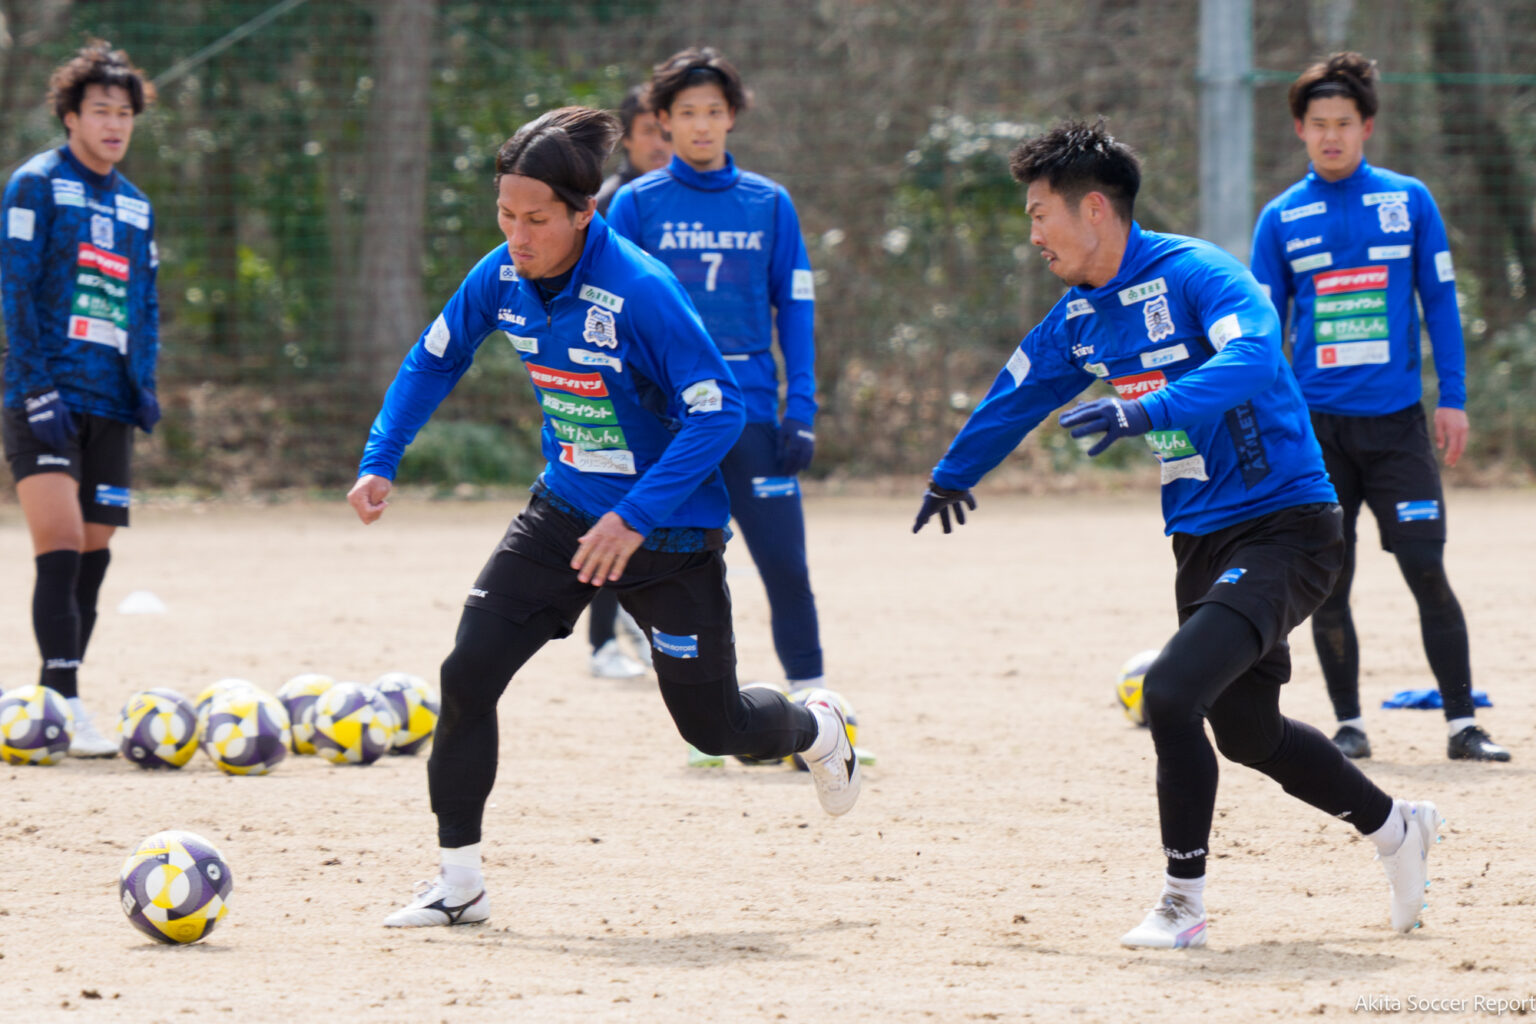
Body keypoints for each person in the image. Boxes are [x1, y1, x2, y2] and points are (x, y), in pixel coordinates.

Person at [913, 119, 1439, 948]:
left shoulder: (1198, 275)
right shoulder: (1079, 316)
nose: (1033, 232)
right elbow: (1017, 392)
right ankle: (1397, 828)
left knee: (1169, 692)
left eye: (1040, 213)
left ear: (1094, 210)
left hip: (1287, 526)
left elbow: (1257, 358)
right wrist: (954, 470)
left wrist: (1144, 407)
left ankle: (1181, 904)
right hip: (1199, 539)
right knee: (1249, 734)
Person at [347, 107, 860, 928]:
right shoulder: (501, 277)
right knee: (467, 672)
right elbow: (433, 358)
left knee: (715, 725)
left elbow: (717, 413)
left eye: (538, 220)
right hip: (563, 515)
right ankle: (459, 885)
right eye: (506, 216)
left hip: (671, 538)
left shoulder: (641, 292)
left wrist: (635, 515)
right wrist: (381, 457)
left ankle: (816, 726)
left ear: (585, 213)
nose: (518, 235)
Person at [1250, 54, 1505, 763]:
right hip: (1317, 434)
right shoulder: (1280, 218)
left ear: (1366, 126)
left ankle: (1462, 724)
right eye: (1318, 125)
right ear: (1300, 129)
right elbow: (1264, 334)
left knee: (1426, 567)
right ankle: (1350, 725)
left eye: (1345, 124)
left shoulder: (1409, 200)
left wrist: (1451, 399)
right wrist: (1275, 421)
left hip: (1398, 428)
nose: (1332, 136)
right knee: (1330, 581)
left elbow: (1441, 305)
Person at [607, 48, 828, 706]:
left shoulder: (769, 203)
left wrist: (803, 408)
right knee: (685, 571)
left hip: (753, 412)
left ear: (732, 117)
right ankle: (708, 711)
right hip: (668, 424)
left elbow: (795, 308)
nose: (701, 125)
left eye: (713, 111)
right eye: (685, 113)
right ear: (663, 121)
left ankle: (818, 702)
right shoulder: (635, 204)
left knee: (785, 564)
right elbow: (609, 313)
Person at [2, 40, 160, 758]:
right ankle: (62, 704)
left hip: (110, 401)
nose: (114, 124)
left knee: (95, 552)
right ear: (70, 116)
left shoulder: (134, 206)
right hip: (45, 396)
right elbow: (15, 292)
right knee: (60, 544)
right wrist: (32, 386)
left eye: (124, 113)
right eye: (100, 110)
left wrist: (144, 384)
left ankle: (51, 700)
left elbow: (145, 304)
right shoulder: (35, 185)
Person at [586, 82, 673, 680]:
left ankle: (639, 633)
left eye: (667, 133)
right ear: (628, 139)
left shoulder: (676, 197)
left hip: (666, 381)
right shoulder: (616, 201)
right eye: (651, 133)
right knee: (609, 505)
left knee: (653, 517)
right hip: (619, 386)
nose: (662, 144)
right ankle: (600, 644)